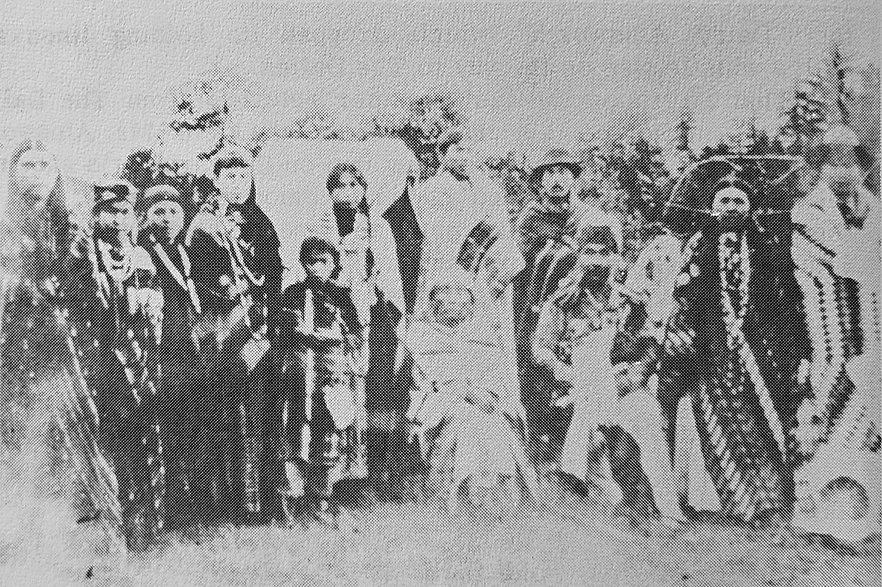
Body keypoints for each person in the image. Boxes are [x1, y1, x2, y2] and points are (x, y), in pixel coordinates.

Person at [661, 178, 807, 527]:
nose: (731, 208)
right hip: (712, 348)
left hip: (758, 349)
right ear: (713, 208)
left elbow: (784, 298)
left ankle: (771, 499)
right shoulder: (698, 246)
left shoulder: (765, 247)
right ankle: (732, 499)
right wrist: (686, 335)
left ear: (749, 208)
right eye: (724, 201)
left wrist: (789, 347)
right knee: (716, 421)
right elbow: (683, 296)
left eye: (739, 201)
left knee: (762, 422)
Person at [789, 124, 881, 544]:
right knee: (836, 406)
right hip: (831, 327)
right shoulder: (808, 213)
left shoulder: (873, 209)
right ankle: (825, 518)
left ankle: (863, 518)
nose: (844, 170)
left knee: (868, 424)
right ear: (821, 167)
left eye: (851, 160)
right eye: (835, 161)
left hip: (873, 321)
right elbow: (840, 261)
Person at [63, 178, 166, 551]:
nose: (119, 220)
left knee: (146, 439)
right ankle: (114, 522)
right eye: (110, 212)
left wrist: (147, 308)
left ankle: (148, 521)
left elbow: (155, 310)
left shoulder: (141, 257)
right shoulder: (86, 258)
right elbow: (82, 311)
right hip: (102, 362)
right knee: (112, 442)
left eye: (125, 212)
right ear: (98, 214)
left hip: (142, 360)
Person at [186, 144, 283, 522]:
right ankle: (235, 499)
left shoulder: (260, 222)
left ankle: (267, 495)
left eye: (244, 175)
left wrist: (267, 323)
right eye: (230, 176)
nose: (238, 183)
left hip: (262, 329)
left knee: (264, 413)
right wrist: (238, 308)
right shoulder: (206, 225)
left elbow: (273, 277)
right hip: (223, 331)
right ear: (217, 180)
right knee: (230, 414)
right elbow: (209, 282)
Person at [310, 162, 411, 502]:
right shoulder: (320, 225)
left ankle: (377, 470)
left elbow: (389, 271)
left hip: (374, 317)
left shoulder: (377, 227)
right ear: (330, 192)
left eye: (355, 186)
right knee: (336, 393)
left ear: (364, 190)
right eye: (341, 187)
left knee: (377, 391)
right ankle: (335, 474)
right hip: (332, 318)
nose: (349, 194)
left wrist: (388, 308)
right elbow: (310, 268)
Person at [407, 267, 536, 514]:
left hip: (481, 399)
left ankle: (498, 494)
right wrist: (467, 392)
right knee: (464, 419)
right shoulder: (422, 334)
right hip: (440, 400)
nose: (455, 301)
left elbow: (496, 371)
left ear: (471, 302)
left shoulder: (480, 335)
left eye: (461, 293)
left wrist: (488, 393)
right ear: (434, 300)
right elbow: (430, 376)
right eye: (448, 293)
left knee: (499, 417)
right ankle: (457, 492)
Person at [272, 236, 364, 526]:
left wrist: (334, 338)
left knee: (327, 433)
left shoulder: (341, 296)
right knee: (295, 431)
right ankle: (291, 499)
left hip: (330, 375)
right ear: (302, 264)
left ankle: (321, 498)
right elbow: (282, 332)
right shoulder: (292, 294)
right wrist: (296, 333)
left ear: (334, 265)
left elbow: (354, 336)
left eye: (322, 262)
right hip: (299, 376)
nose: (315, 268)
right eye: (310, 262)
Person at [136, 184, 204, 530]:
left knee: (188, 421)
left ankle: (192, 498)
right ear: (145, 216)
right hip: (161, 348)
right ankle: (172, 502)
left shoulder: (184, 250)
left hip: (189, 346)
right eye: (158, 211)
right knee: (166, 425)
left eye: (174, 211)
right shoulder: (142, 252)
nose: (166, 219)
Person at [513, 148, 583, 462]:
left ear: (573, 179)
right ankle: (537, 444)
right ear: (540, 182)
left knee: (572, 366)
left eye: (563, 172)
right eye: (549, 173)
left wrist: (577, 273)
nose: (556, 179)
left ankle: (570, 447)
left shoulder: (583, 217)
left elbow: (599, 254)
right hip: (533, 303)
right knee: (534, 365)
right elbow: (522, 259)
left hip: (576, 306)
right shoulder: (531, 216)